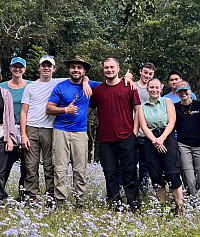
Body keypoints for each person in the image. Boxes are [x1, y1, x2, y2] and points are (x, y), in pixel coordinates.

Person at [20, 55, 91, 203]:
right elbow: (27, 111)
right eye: (43, 65)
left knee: (53, 165)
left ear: (54, 69)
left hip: (55, 129)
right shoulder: (36, 86)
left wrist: (86, 81)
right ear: (39, 67)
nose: (46, 68)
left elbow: (88, 78)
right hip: (40, 128)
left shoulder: (59, 82)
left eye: (49, 66)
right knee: (34, 165)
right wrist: (23, 134)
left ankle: (56, 196)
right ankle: (36, 196)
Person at [46, 56, 100, 208]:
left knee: (80, 167)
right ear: (69, 69)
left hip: (80, 132)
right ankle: (60, 201)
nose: (76, 70)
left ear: (84, 71)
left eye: (79, 68)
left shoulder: (92, 85)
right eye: (73, 67)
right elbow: (48, 109)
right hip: (61, 131)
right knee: (60, 167)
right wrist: (65, 109)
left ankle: (80, 201)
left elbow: (111, 84)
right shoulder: (60, 87)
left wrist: (127, 77)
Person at [88, 58, 141, 210]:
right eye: (106, 68)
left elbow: (138, 110)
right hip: (106, 139)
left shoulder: (128, 87)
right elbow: (88, 111)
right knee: (109, 173)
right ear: (103, 70)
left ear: (118, 69)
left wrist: (135, 132)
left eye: (112, 67)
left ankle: (133, 204)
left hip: (127, 137)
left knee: (129, 171)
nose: (109, 70)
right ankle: (114, 204)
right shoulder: (98, 90)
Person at [139, 78, 183, 213]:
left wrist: (162, 138)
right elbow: (144, 126)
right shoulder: (142, 107)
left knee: (172, 172)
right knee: (155, 174)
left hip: (167, 137)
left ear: (161, 89)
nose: (154, 90)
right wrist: (155, 141)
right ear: (147, 89)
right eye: (151, 87)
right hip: (151, 140)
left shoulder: (167, 102)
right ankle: (162, 206)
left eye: (157, 87)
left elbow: (172, 121)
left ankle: (179, 206)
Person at [0, 57, 32, 199]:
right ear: (10, 68)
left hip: (26, 129)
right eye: (15, 66)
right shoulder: (3, 87)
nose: (17, 69)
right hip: (8, 130)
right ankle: (1, 193)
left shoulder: (31, 85)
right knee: (5, 164)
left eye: (20, 67)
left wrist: (85, 80)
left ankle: (23, 195)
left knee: (27, 165)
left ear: (25, 69)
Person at [174, 80, 200, 199]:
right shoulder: (175, 108)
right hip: (183, 145)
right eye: (180, 92)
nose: (183, 93)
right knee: (189, 181)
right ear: (177, 93)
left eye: (185, 90)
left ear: (190, 91)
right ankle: (193, 205)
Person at [134, 62, 156, 190]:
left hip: (147, 132)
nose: (147, 75)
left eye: (150, 74)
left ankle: (143, 190)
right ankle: (130, 188)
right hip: (132, 131)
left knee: (145, 165)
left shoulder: (154, 88)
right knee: (130, 163)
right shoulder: (132, 85)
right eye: (145, 72)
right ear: (140, 71)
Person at [0, 66, 16, 201]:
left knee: (1, 170)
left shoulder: (5, 94)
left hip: (1, 134)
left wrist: (10, 138)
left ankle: (0, 197)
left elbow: (10, 117)